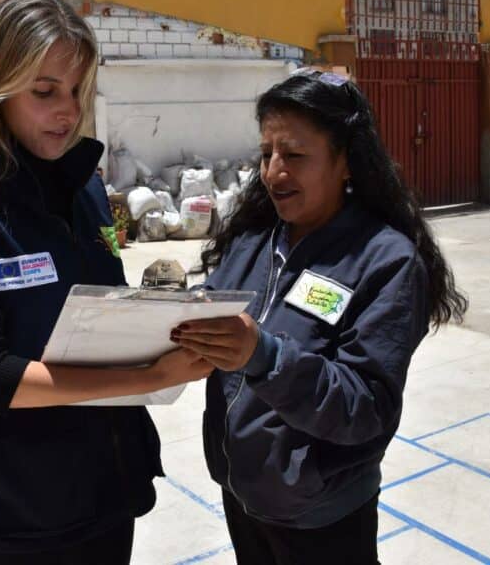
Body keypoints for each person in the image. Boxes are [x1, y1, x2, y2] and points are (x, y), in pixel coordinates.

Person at [0, 0, 212, 564]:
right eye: (44, 91)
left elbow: (100, 310)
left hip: (108, 483)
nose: (66, 110)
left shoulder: (83, 189)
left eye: (76, 91)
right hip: (27, 506)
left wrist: (169, 322)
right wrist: (146, 375)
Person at [171, 68, 468, 564]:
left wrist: (264, 356)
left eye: (294, 155)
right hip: (243, 495)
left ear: (346, 161)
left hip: (322, 517)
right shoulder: (253, 242)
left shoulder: (385, 261)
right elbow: (217, 310)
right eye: (266, 154)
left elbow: (366, 407)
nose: (272, 172)